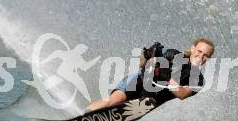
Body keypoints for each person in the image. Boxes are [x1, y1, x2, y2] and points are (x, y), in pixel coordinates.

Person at [86, 37, 214, 112]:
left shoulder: (199, 80)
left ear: (208, 59)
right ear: (192, 49)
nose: (200, 56)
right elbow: (142, 66)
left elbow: (182, 94)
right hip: (137, 81)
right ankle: (85, 114)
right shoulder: (173, 55)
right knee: (114, 101)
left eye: (206, 55)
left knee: (131, 111)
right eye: (199, 51)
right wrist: (147, 56)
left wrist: (167, 77)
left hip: (150, 99)